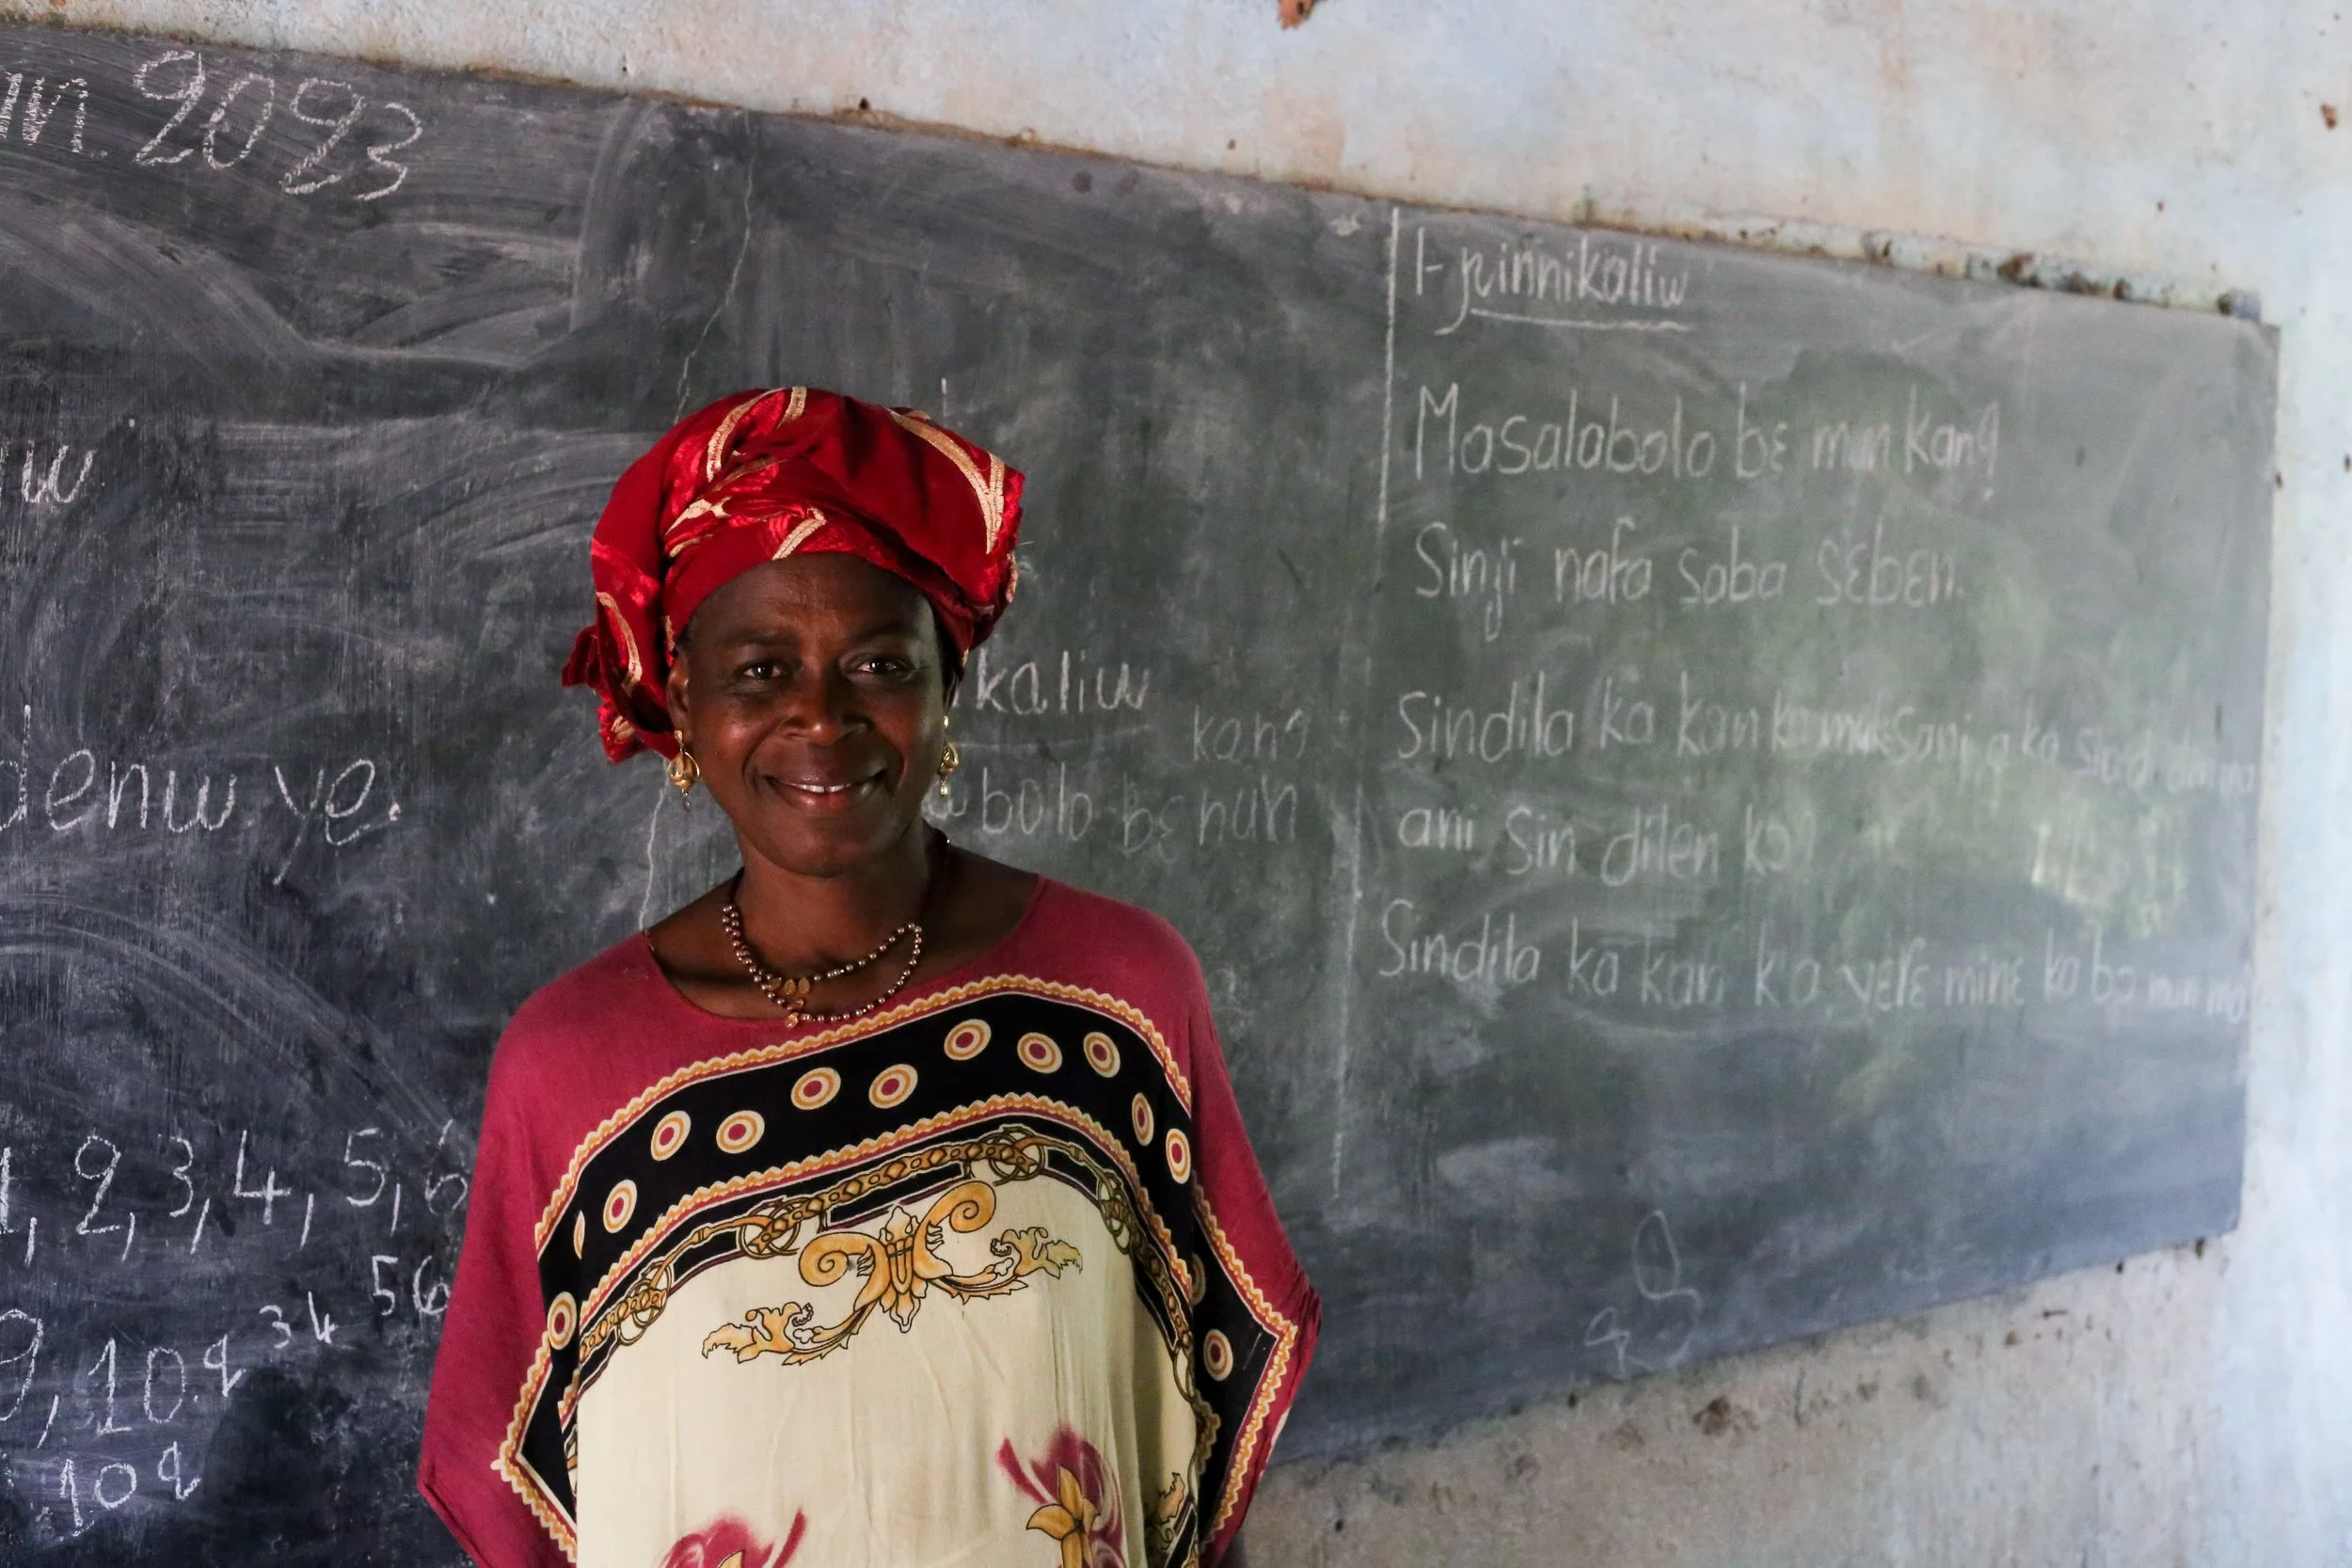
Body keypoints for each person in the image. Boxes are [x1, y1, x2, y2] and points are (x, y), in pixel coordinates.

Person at [418, 387, 1318, 1568]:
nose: (820, 716)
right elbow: (522, 1488)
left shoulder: (1118, 991)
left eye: (878, 663)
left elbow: (1196, 1444)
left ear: (951, 686)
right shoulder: (572, 1064)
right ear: (682, 701)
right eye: (758, 670)